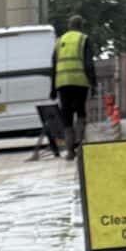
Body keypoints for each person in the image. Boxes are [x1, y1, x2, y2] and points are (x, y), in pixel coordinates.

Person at [54, 16, 96, 159]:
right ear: (81, 26)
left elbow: (53, 64)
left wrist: (52, 89)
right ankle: (79, 143)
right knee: (80, 111)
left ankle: (70, 151)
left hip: (62, 82)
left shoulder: (59, 41)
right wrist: (93, 83)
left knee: (66, 115)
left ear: (69, 25)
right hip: (79, 81)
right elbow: (88, 63)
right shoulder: (84, 39)